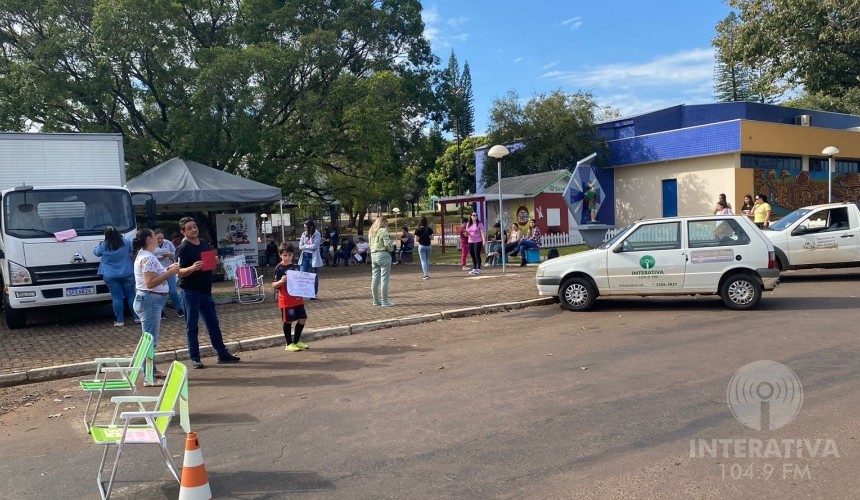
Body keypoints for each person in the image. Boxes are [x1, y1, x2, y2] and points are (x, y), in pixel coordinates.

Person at [175, 217, 241, 369]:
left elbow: (208, 264)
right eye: (189, 228)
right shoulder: (183, 248)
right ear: (183, 231)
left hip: (206, 291)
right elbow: (178, 272)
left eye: (194, 226)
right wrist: (191, 268)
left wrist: (214, 261)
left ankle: (222, 354)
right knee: (192, 326)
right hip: (190, 292)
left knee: (213, 323)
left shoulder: (204, 243)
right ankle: (195, 357)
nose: (193, 229)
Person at [133, 228, 181, 383]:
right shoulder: (148, 258)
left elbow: (152, 277)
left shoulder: (145, 256)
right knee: (150, 341)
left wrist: (167, 270)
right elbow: (150, 282)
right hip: (150, 301)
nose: (158, 239)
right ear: (149, 239)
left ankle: (151, 371)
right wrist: (169, 273)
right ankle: (148, 376)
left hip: (148, 300)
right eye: (154, 236)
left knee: (148, 339)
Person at [93, 226, 139, 327]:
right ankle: (136, 317)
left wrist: (96, 247)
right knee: (131, 295)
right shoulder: (126, 242)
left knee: (117, 297)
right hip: (127, 272)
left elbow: (96, 253)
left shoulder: (103, 246)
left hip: (110, 275)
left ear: (106, 235)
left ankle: (120, 321)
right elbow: (132, 251)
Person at [272, 243, 309, 352]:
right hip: (286, 300)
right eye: (285, 255)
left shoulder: (295, 266)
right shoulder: (279, 268)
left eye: (289, 255)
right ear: (280, 255)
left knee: (303, 318)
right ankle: (289, 343)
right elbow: (274, 285)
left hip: (297, 299)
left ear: (292, 255)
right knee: (288, 321)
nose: (287, 257)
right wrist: (281, 280)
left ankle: (296, 341)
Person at [154, 229, 184, 318]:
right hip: (158, 272)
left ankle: (179, 309)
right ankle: (161, 312)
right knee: (162, 292)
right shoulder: (152, 245)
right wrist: (157, 257)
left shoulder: (168, 243)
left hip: (169, 270)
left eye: (161, 238)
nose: (160, 240)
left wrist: (169, 254)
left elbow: (176, 254)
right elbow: (149, 256)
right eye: (158, 238)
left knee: (173, 291)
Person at [369, 215, 395, 306]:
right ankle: (384, 300)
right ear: (384, 223)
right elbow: (387, 244)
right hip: (383, 254)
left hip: (373, 255)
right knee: (384, 279)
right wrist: (391, 247)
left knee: (375, 279)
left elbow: (370, 244)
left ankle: (375, 300)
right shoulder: (383, 231)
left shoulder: (371, 232)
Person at [298, 220, 323, 298]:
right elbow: (300, 246)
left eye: (306, 227)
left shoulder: (317, 234)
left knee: (313, 275)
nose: (305, 229)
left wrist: (305, 247)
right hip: (305, 256)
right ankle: (304, 292)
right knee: (302, 274)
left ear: (311, 227)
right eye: (304, 227)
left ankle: (313, 293)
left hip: (313, 257)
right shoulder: (303, 234)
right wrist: (307, 247)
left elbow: (314, 246)